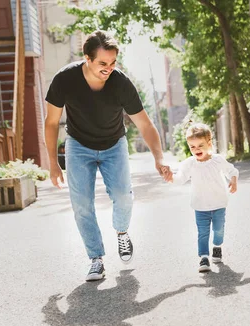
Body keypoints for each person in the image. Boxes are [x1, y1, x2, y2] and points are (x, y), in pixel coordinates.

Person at [44, 30, 172, 282]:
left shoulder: (121, 84)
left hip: (114, 144)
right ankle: (96, 259)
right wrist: (52, 163)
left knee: (124, 196)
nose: (109, 68)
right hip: (79, 145)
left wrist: (159, 157)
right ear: (87, 58)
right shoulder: (64, 80)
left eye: (113, 63)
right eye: (103, 63)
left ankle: (122, 232)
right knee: (81, 205)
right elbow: (51, 122)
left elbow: (145, 125)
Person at [170, 122, 238, 272]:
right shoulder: (189, 164)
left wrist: (233, 180)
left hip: (219, 204)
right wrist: (171, 178)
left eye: (200, 145)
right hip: (200, 206)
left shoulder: (218, 160)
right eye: (192, 146)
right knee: (203, 232)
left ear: (209, 143)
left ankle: (217, 246)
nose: (196, 149)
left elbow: (232, 171)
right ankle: (203, 258)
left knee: (219, 230)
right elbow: (180, 178)